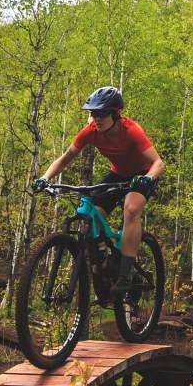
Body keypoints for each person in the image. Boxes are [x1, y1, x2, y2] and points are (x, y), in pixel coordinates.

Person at [36, 85, 163, 291]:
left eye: (102, 113)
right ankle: (105, 259)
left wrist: (147, 179)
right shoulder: (90, 132)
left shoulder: (131, 131)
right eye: (93, 113)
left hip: (143, 174)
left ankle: (124, 275)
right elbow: (66, 157)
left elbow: (159, 163)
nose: (97, 118)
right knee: (92, 214)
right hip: (117, 174)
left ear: (115, 113)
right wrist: (44, 177)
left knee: (131, 209)